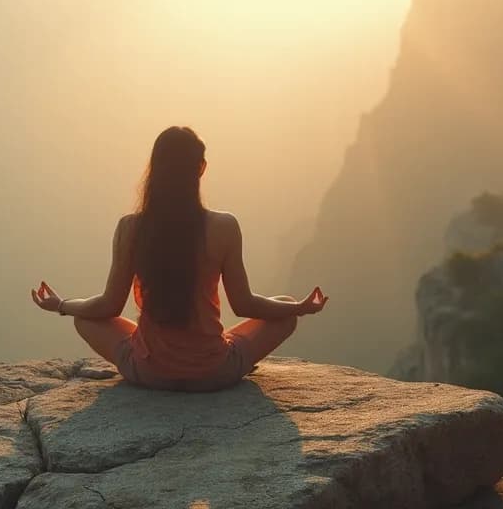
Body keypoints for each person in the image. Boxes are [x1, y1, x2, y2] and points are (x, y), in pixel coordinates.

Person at [28, 126, 328, 392]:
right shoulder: (224, 227)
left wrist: (62, 305)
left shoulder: (131, 228)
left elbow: (108, 306)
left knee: (84, 317)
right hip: (214, 373)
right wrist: (299, 307)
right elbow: (244, 304)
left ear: (154, 168)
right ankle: (205, 345)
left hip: (149, 372)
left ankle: (160, 349)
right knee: (285, 310)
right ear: (201, 168)